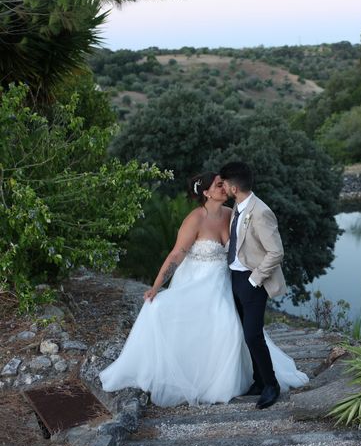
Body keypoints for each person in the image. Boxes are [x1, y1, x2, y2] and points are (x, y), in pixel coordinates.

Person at [99, 172, 308, 407]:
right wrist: (156, 286)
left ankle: (257, 380)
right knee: (165, 313)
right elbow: (177, 254)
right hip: (197, 283)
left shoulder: (233, 215)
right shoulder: (195, 219)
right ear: (206, 192)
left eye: (225, 184)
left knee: (232, 328)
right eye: (219, 185)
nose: (225, 188)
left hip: (227, 285)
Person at [219, 161, 288, 409]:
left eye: (224, 184)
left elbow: (276, 252)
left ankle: (271, 385)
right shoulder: (238, 206)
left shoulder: (260, 212)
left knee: (253, 334)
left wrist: (254, 280)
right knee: (244, 334)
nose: (222, 187)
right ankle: (258, 381)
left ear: (234, 187)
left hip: (252, 281)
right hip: (234, 279)